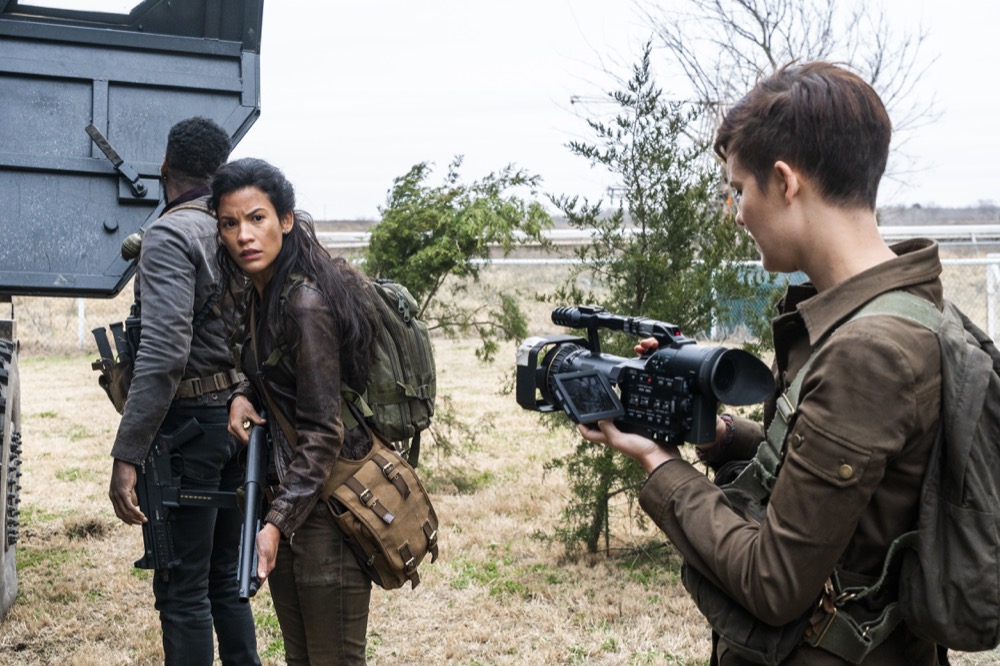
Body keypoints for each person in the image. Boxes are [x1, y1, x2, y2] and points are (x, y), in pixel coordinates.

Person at [579, 62, 945, 665]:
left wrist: (659, 463)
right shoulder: (906, 306)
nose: (737, 213)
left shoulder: (866, 352)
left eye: (738, 190)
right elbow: (853, 479)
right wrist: (718, 435)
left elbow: (774, 583)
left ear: (785, 182)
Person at [213, 157, 379, 665]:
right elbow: (268, 371)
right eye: (230, 223)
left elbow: (324, 432)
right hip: (293, 506)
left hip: (325, 510)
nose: (244, 234)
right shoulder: (263, 293)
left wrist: (276, 523)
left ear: (285, 219)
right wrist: (241, 391)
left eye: (257, 218)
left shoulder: (304, 303)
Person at [107, 117, 260, 664]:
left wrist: (127, 454)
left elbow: (164, 354)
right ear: (219, 170)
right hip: (234, 423)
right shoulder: (232, 229)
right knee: (223, 581)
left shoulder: (172, 234)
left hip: (187, 431)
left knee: (182, 591)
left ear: (165, 165)